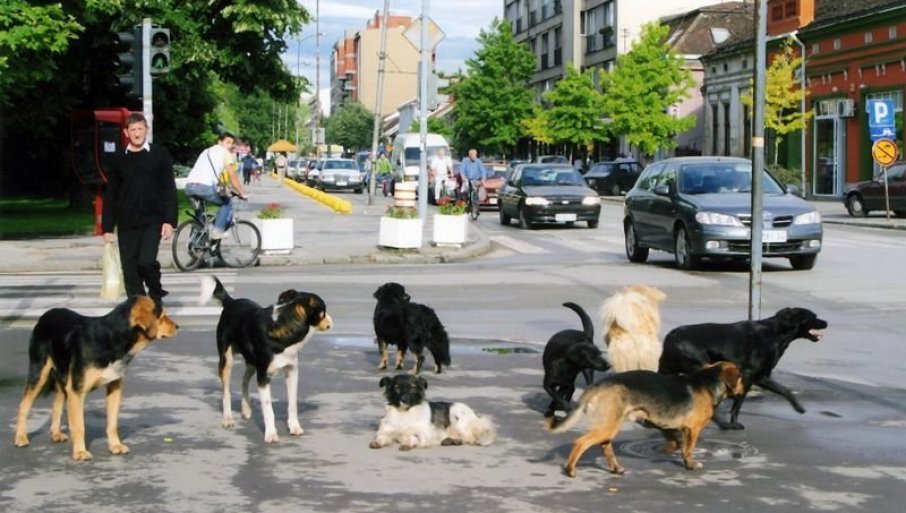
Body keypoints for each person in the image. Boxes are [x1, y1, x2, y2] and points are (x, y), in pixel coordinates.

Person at [101, 112, 177, 301]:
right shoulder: (118, 158)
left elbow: (169, 188)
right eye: (132, 129)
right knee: (130, 268)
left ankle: (155, 289)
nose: (136, 133)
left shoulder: (159, 154)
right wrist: (107, 227)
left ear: (146, 130)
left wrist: (169, 220)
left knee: (146, 261)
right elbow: (110, 194)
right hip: (127, 222)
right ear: (126, 133)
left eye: (140, 129)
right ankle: (138, 307)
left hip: (153, 220)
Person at [185, 132, 248, 239]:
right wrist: (242, 192)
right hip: (204, 187)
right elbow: (233, 176)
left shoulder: (206, 151)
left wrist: (226, 187)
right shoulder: (225, 153)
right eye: (227, 142)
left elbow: (209, 172)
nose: (230, 145)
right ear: (220, 142)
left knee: (200, 218)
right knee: (226, 202)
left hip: (189, 187)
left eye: (231, 143)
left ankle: (195, 245)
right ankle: (217, 230)